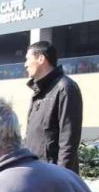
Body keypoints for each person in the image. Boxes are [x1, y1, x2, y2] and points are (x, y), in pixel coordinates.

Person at [24, 40, 83, 173]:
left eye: (28, 59)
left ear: (41, 58)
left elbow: (68, 141)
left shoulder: (65, 88)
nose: (25, 64)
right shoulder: (39, 91)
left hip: (53, 176)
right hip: (36, 172)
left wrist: (61, 177)